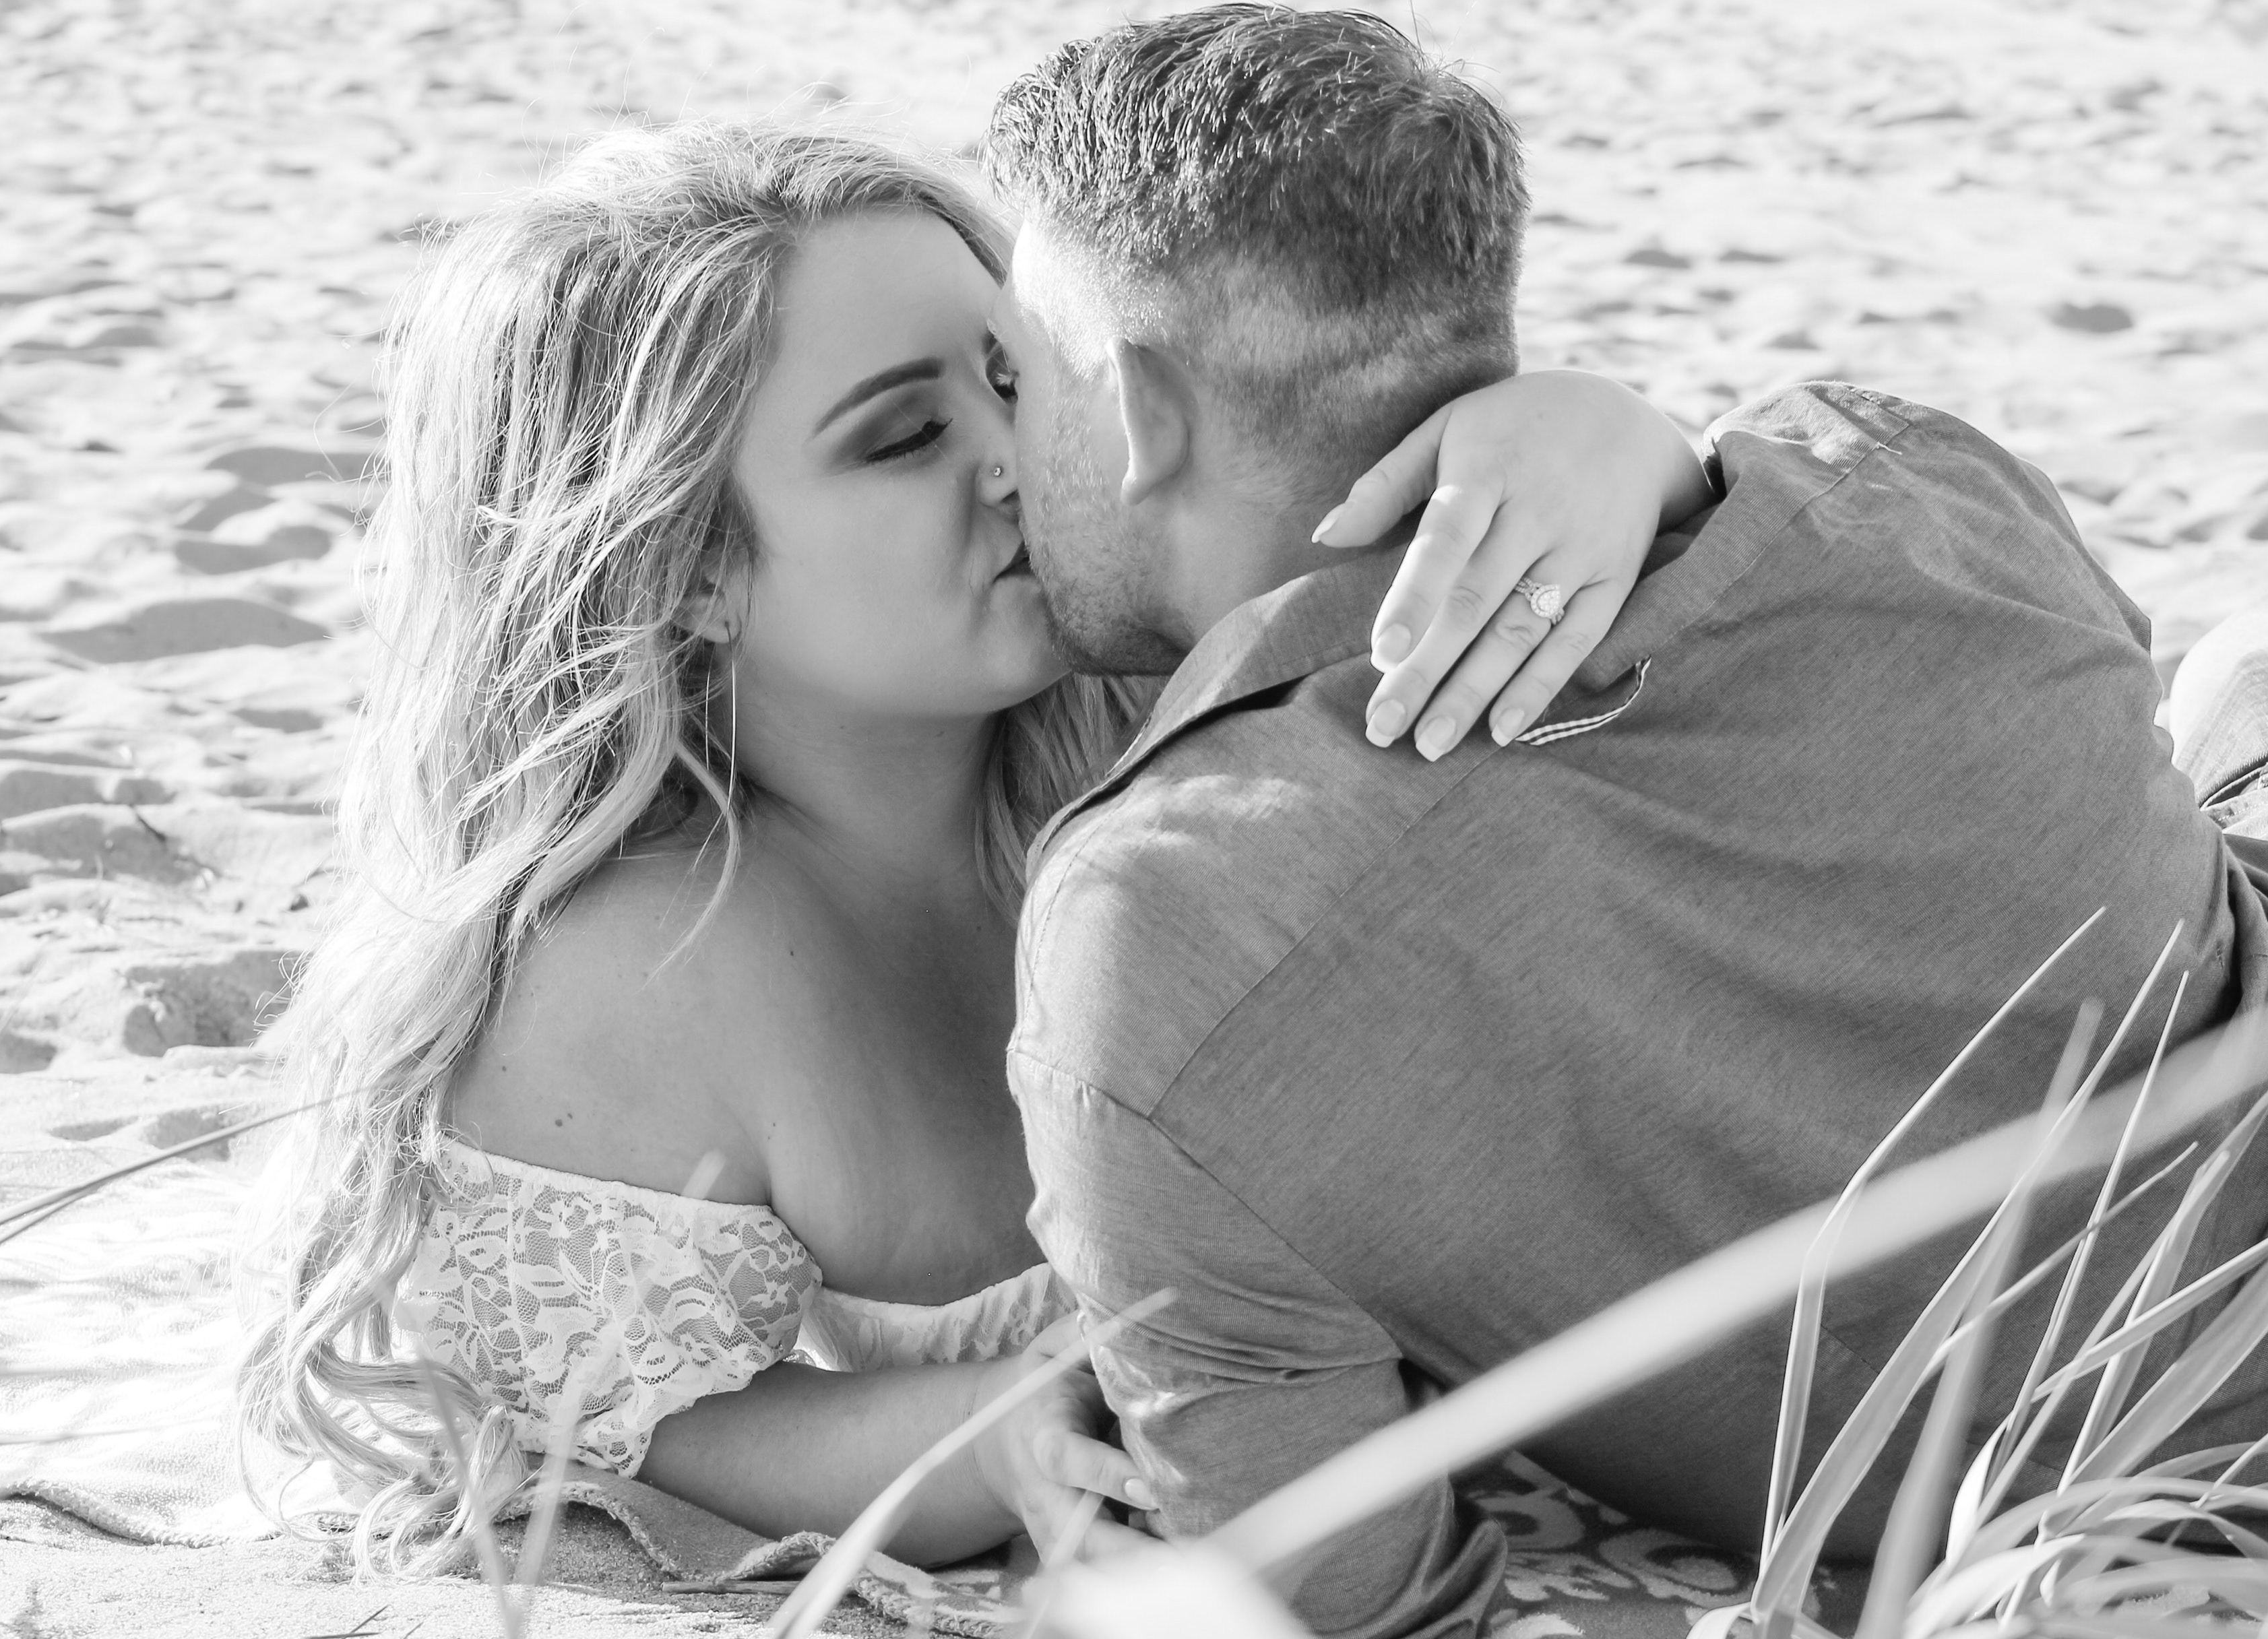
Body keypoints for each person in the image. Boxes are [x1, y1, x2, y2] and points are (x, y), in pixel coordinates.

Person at [986, 3, 2268, 1636]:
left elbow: (1364, 1606)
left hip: (2175, 1502)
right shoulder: (1907, 488)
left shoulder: (1161, 957)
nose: (999, 453)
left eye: (1020, 374)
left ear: (1143, 410)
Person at [233, 118, 1712, 1570]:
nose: (1016, 457)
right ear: (684, 568)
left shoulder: (1198, 687)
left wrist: (1609, 441)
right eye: (904, 436)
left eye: (1021, 378)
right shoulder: (649, 968)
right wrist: (989, 1436)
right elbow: (614, 1425)